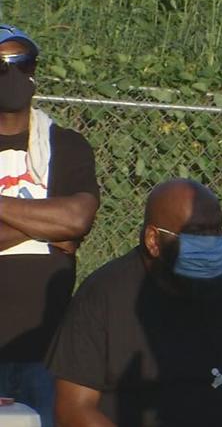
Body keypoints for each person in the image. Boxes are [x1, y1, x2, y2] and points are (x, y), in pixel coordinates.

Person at [46, 179, 222, 427]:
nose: (210, 243)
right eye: (196, 232)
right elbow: (73, 409)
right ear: (153, 240)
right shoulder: (103, 295)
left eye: (216, 230)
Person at [0, 24, 100, 427]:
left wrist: (63, 223)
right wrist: (45, 222)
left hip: (47, 350)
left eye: (20, 62)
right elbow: (64, 223)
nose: (12, 74)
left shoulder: (66, 145)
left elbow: (77, 218)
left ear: (34, 69)